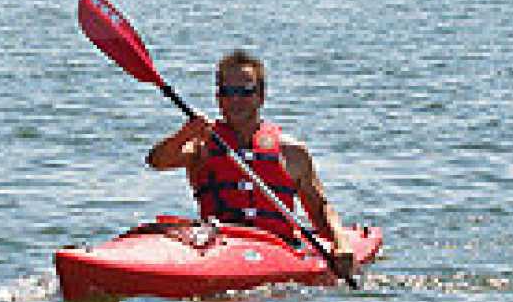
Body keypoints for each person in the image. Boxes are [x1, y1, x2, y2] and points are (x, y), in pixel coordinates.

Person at [145, 48, 355, 252]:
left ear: (261, 96)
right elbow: (157, 161)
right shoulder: (201, 146)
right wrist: (184, 134)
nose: (235, 100)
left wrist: (341, 244)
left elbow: (320, 209)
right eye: (228, 92)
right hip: (221, 246)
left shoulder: (291, 152)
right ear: (218, 97)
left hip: (279, 249)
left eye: (245, 92)